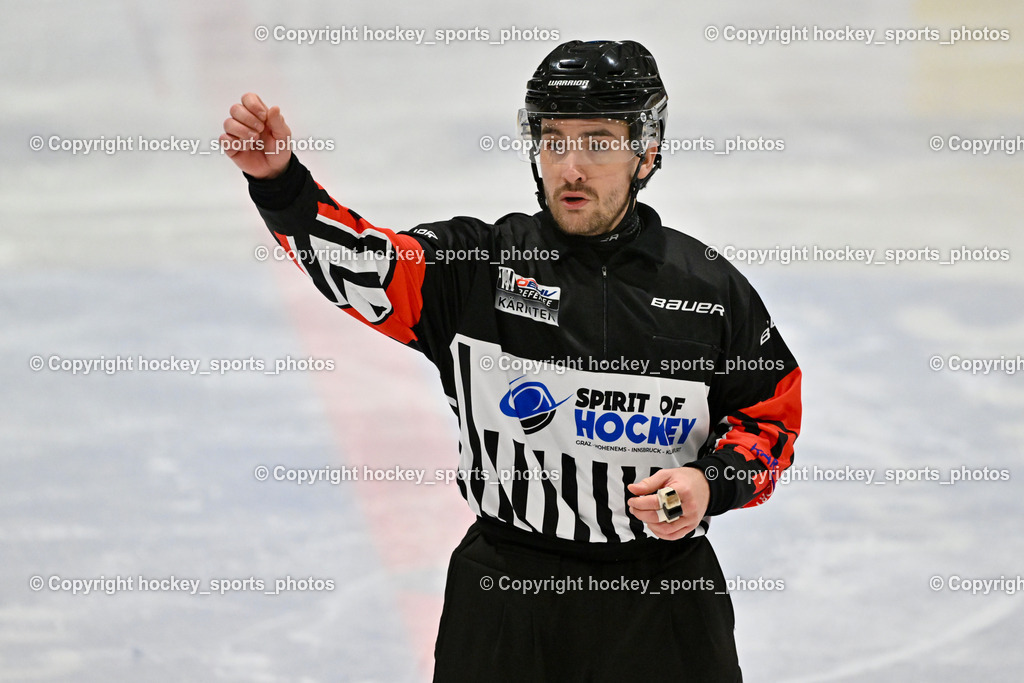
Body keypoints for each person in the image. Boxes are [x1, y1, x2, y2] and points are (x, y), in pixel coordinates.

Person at [222, 39, 801, 682]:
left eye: (598, 142)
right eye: (554, 140)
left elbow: (769, 422)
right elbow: (363, 266)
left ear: (647, 150)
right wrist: (281, 186)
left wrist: (709, 484)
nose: (571, 167)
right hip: (504, 598)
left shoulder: (707, 290)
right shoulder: (479, 267)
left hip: (661, 602)